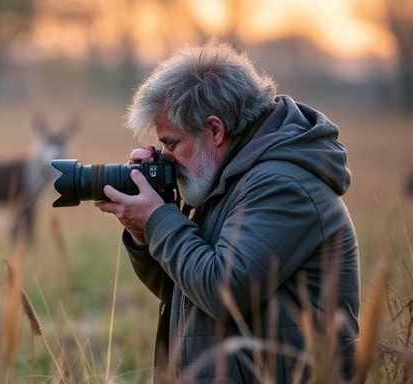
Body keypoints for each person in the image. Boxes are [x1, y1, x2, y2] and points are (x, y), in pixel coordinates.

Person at [95, 40, 360, 383]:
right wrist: (144, 232)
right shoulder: (232, 177)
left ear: (215, 130)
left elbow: (222, 290)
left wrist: (158, 219)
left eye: (171, 143)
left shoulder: (281, 185)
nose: (164, 156)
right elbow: (185, 289)